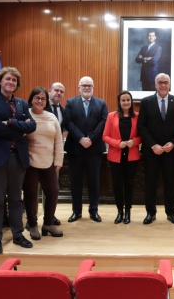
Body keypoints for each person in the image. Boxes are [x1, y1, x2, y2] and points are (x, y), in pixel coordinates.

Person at [0, 67, 36, 254]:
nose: (11, 82)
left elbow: (32, 125)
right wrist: (20, 129)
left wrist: (9, 122)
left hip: (17, 156)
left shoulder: (21, 103)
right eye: (8, 79)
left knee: (17, 199)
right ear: (0, 82)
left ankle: (18, 235)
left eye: (14, 80)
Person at [138, 73, 174, 225]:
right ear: (155, 84)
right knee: (150, 182)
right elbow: (142, 126)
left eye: (166, 82)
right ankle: (151, 213)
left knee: (170, 182)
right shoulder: (146, 102)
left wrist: (173, 143)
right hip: (151, 151)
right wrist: (153, 145)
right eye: (160, 82)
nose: (163, 85)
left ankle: (171, 212)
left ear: (169, 84)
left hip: (170, 151)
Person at [64, 76, 108, 223]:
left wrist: (91, 138)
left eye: (90, 85)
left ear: (93, 88)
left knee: (94, 181)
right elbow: (68, 122)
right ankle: (76, 211)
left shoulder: (101, 103)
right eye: (84, 85)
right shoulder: (70, 102)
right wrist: (81, 138)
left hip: (94, 149)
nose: (87, 88)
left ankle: (93, 210)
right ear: (79, 87)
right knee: (75, 182)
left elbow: (103, 122)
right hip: (75, 148)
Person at [22, 87, 64, 240]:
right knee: (31, 194)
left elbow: (58, 141)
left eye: (43, 99)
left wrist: (58, 160)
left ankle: (48, 223)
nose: (40, 101)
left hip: (49, 162)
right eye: (37, 98)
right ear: (31, 99)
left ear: (46, 101)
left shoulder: (52, 117)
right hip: (30, 162)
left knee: (53, 192)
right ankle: (33, 225)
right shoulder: (25, 115)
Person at [102, 91, 141, 224]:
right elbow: (105, 136)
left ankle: (128, 212)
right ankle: (120, 212)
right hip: (115, 156)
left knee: (129, 185)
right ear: (119, 102)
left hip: (132, 156)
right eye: (123, 100)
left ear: (131, 102)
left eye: (128, 100)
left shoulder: (137, 116)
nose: (126, 102)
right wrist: (117, 144)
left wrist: (134, 141)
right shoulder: (111, 116)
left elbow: (142, 136)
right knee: (117, 185)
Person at [42, 82, 66, 227]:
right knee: (35, 189)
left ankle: (49, 216)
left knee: (51, 189)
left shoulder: (62, 111)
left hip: (53, 156)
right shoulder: (40, 106)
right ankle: (31, 219)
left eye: (61, 91)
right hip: (37, 154)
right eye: (56, 90)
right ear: (49, 91)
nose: (58, 93)